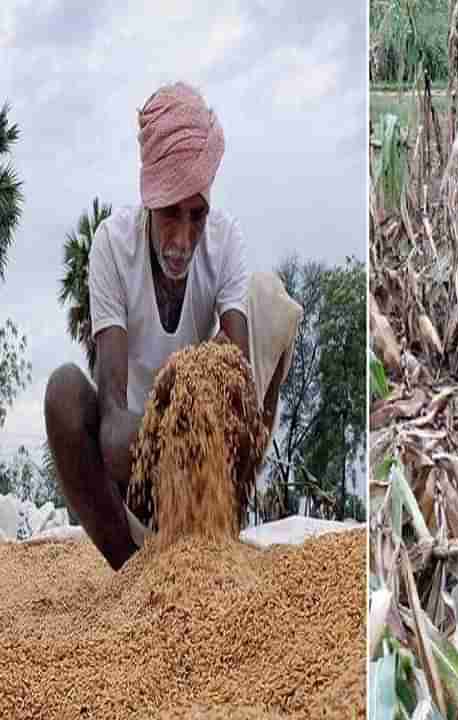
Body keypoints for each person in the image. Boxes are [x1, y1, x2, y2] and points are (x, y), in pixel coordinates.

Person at [43, 82, 299, 570]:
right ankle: (131, 571)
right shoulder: (112, 248)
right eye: (169, 216)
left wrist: (203, 402)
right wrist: (173, 414)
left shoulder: (225, 243)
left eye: (196, 216)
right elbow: (115, 428)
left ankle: (221, 539)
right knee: (63, 392)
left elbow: (238, 386)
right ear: (149, 200)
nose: (183, 240)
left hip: (205, 483)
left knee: (270, 296)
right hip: (140, 482)